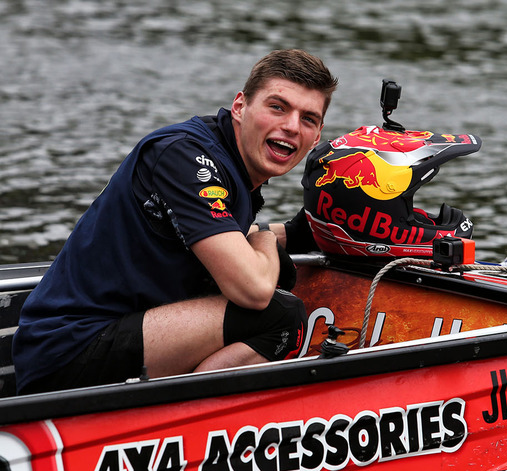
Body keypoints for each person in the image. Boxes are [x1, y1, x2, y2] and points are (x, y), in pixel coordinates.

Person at [12, 49, 338, 394]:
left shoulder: (227, 159)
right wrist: (264, 242)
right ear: (240, 107)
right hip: (69, 350)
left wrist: (293, 232)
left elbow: (219, 231)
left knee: (279, 271)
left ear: (316, 137)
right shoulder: (187, 159)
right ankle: (196, 427)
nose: (290, 126)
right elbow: (253, 291)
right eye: (278, 107)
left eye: (308, 119)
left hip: (110, 333)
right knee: (279, 316)